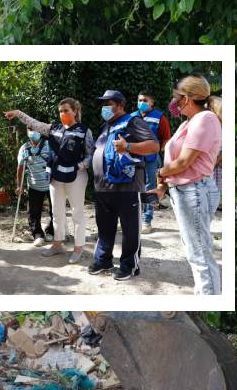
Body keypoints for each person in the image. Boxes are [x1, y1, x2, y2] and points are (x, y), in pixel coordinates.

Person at [150, 75, 222, 295]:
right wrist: (162, 185)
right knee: (195, 251)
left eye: (176, 97)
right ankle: (205, 294)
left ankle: (208, 298)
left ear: (188, 98)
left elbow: (183, 162)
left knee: (199, 253)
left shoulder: (205, 119)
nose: (174, 102)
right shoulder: (189, 122)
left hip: (194, 192)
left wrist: (159, 173)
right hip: (186, 192)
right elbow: (176, 161)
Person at [3, 98, 94, 263]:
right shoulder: (53, 128)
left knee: (77, 214)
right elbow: (34, 123)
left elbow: (90, 154)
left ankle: (78, 248)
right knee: (57, 213)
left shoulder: (84, 131)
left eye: (66, 110)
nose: (62, 114)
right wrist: (17, 113)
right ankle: (57, 244)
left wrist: (79, 166)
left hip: (76, 177)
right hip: (55, 177)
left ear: (75, 111)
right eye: (60, 111)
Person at [89, 89, 159, 280]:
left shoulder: (133, 122)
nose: (104, 108)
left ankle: (129, 265)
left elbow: (154, 146)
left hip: (127, 187)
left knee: (130, 229)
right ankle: (103, 260)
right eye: (103, 104)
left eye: (108, 104)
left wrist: (128, 146)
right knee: (104, 227)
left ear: (120, 106)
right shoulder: (105, 127)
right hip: (102, 187)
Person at [133, 90, 171, 234]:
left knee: (150, 188)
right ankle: (133, 218)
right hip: (133, 159)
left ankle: (146, 221)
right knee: (132, 187)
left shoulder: (160, 118)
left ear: (152, 103)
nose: (141, 103)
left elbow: (166, 138)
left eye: (145, 100)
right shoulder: (131, 117)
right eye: (140, 100)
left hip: (151, 159)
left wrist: (156, 151)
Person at [15, 127, 54, 246]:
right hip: (34, 184)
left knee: (55, 211)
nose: (32, 132)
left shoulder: (50, 145)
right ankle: (37, 234)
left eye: (35, 129)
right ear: (26, 132)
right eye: (30, 129)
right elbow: (20, 168)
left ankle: (51, 231)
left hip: (52, 184)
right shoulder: (24, 148)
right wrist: (18, 186)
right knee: (34, 212)